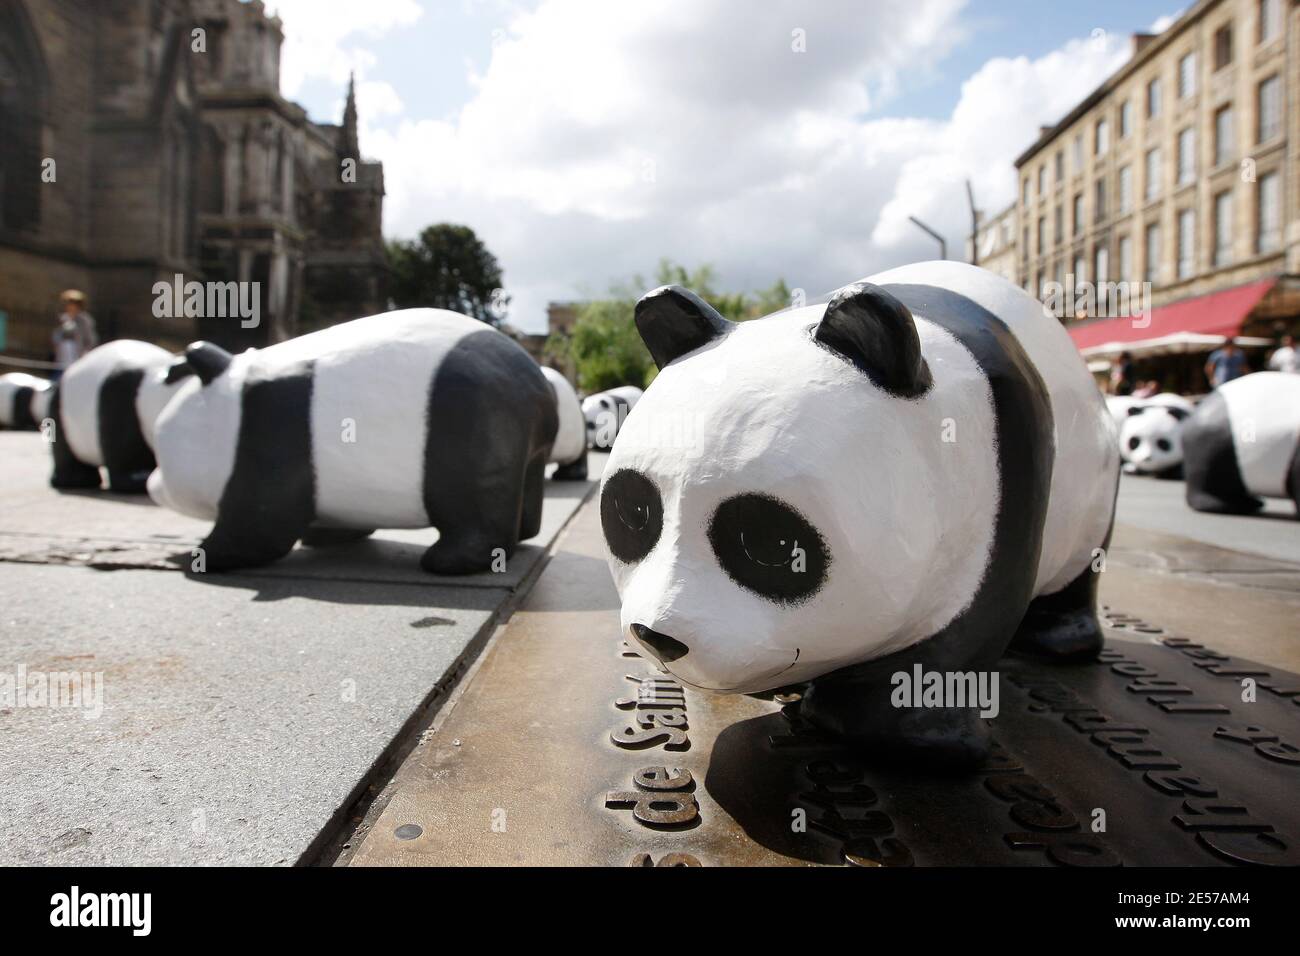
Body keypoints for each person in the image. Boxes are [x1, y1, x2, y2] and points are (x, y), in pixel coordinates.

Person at [51, 289, 98, 379]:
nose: (69, 306)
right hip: (62, 354)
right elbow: (57, 335)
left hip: (77, 354)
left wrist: (85, 353)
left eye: (72, 303)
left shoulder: (84, 320)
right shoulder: (63, 318)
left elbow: (90, 339)